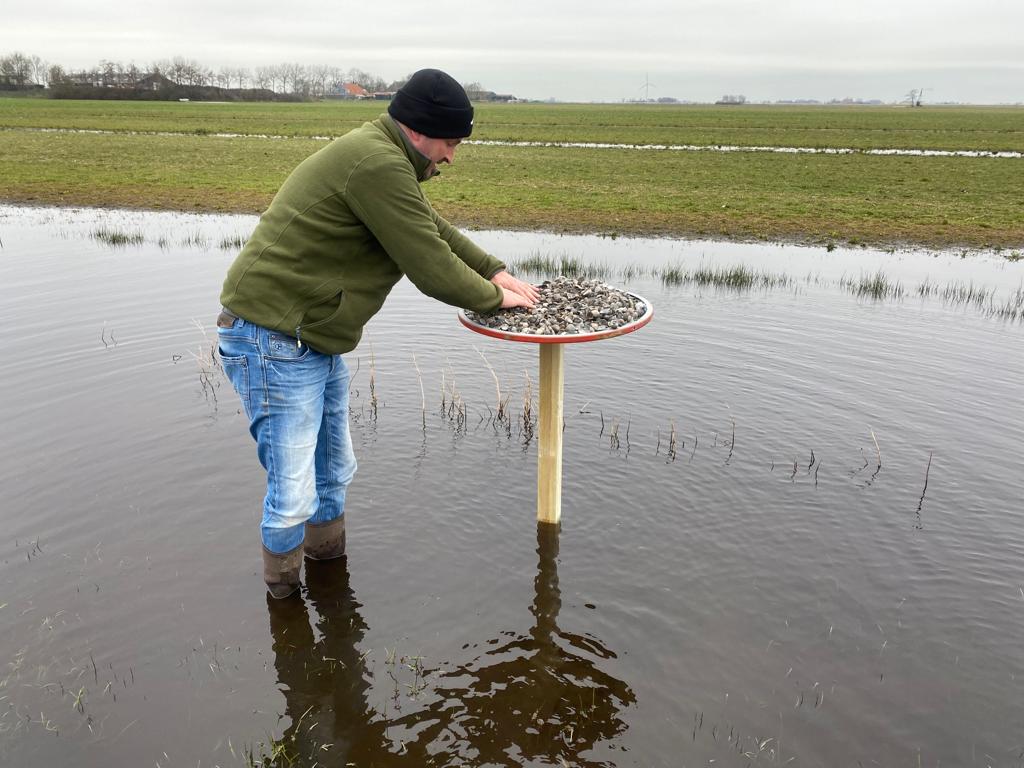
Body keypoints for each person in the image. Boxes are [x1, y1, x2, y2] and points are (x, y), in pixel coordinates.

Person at [216, 68, 538, 598]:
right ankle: (285, 606)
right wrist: (494, 298)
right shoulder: (375, 163)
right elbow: (430, 265)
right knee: (294, 491)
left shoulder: (385, 158)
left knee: (333, 471)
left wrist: (493, 270)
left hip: (308, 338)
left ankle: (327, 572)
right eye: (451, 142)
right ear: (418, 129)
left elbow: (432, 227)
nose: (453, 156)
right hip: (270, 338)